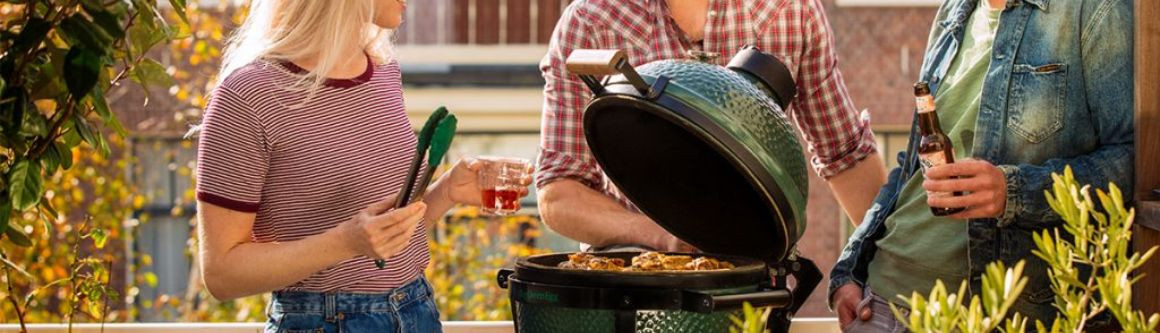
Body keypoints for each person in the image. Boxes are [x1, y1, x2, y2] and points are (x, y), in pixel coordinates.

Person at [194, 1, 507, 332]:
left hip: (418, 311)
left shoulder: (383, 71)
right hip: (322, 321)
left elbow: (382, 238)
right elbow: (221, 274)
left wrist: (446, 192)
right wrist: (345, 242)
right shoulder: (247, 95)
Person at [829, 0, 1134, 331]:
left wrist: (1012, 192)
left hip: (995, 314)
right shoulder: (953, 11)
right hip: (881, 303)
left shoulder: (1096, 10)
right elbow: (912, 169)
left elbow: (1134, 160)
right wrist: (849, 268)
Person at [536, 0, 887, 252]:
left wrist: (875, 272)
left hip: (755, 287)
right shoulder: (590, 20)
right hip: (632, 288)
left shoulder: (790, 11)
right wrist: (660, 236)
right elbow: (559, 193)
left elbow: (845, 157)